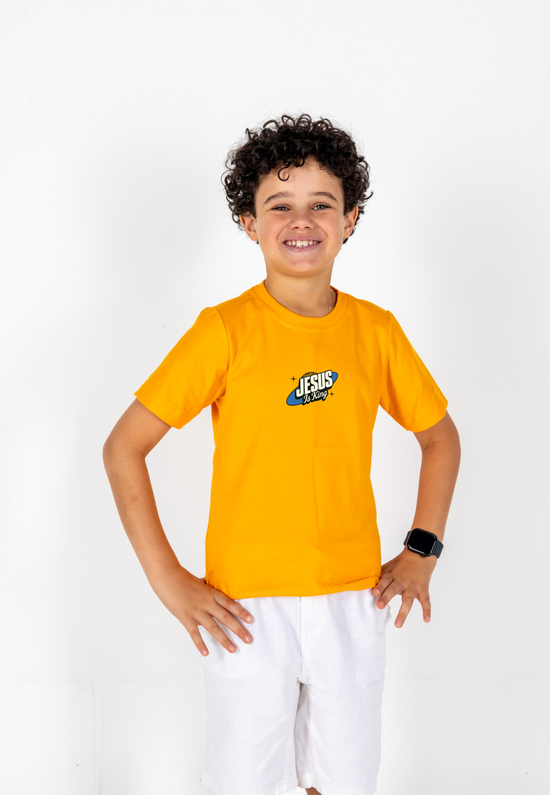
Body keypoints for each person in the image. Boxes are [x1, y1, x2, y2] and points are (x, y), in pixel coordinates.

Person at [102, 113, 461, 795]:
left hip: (352, 597)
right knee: (244, 782)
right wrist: (168, 579)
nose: (302, 220)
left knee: (344, 779)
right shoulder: (224, 331)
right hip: (244, 608)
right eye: (279, 205)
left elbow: (440, 437)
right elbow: (124, 447)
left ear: (350, 219)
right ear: (249, 222)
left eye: (322, 204)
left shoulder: (376, 332)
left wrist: (422, 549)